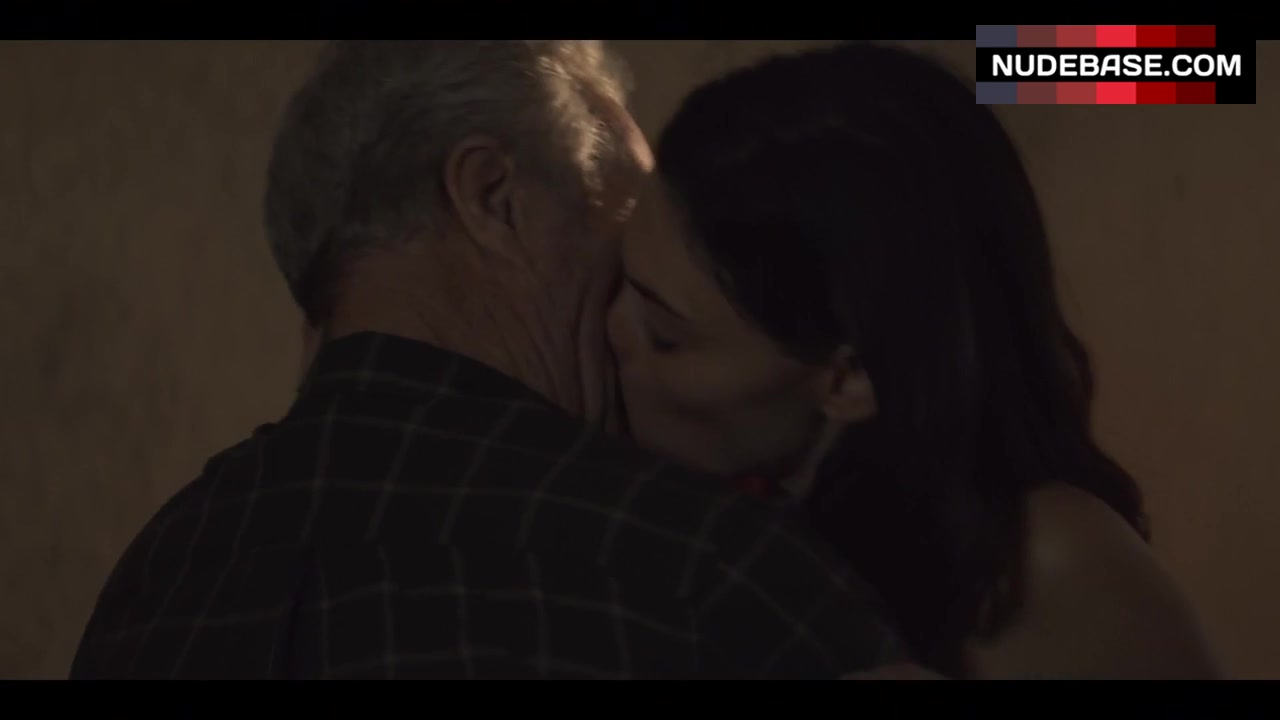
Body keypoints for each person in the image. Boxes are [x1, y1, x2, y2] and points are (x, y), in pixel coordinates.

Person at [68, 41, 906, 679]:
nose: (638, 304)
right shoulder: (703, 567)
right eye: (627, 236)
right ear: (492, 198)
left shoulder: (157, 576)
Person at [608, 42, 1223, 679]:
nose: (611, 331)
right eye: (616, 283)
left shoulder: (1042, 566)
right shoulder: (713, 523)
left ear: (850, 378)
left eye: (664, 335)